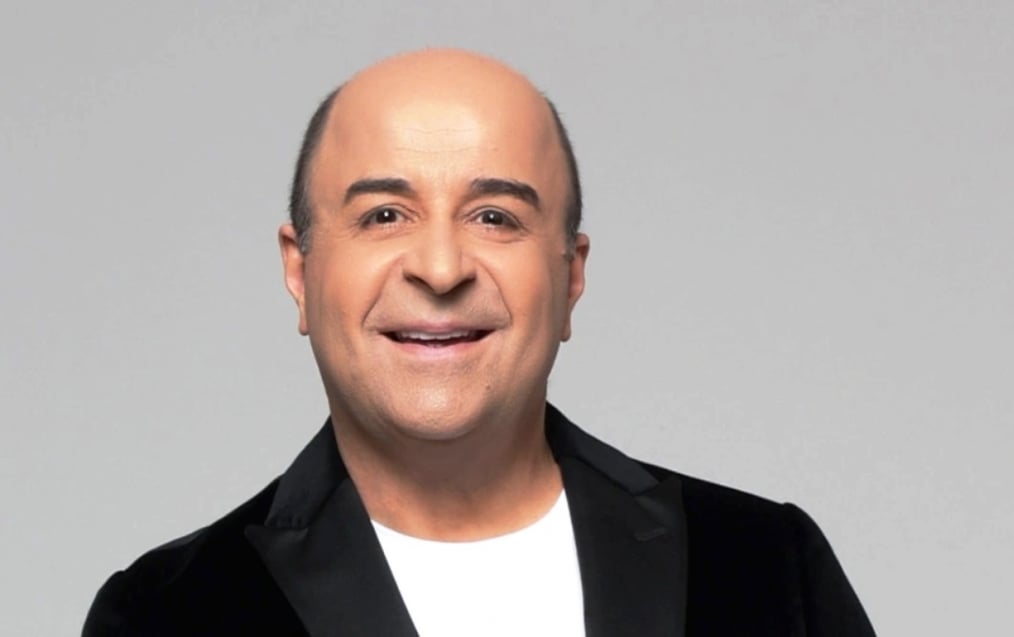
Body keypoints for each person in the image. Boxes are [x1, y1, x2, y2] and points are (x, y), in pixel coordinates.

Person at [83, 48, 875, 636]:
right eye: (383, 215)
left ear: (570, 274)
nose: (440, 267)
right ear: (301, 270)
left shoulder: (767, 565)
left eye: (495, 216)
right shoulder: (167, 613)